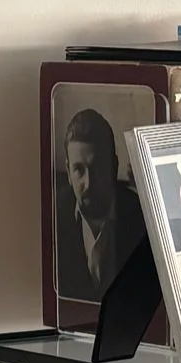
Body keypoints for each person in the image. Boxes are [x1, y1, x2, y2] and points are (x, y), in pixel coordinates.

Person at [54, 106, 145, 301]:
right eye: (79, 170)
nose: (88, 183)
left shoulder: (142, 217)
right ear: (68, 172)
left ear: (114, 166)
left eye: (97, 168)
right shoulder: (53, 215)